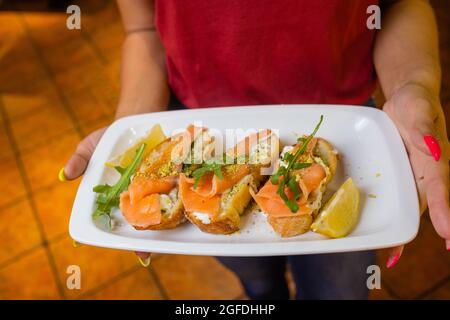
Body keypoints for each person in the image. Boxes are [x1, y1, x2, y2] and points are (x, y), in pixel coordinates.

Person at [61, 0, 450, 299]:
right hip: (202, 128)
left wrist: (410, 85)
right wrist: (132, 131)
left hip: (348, 126)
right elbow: (144, 27)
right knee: (255, 281)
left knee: (340, 287)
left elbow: (399, 4)